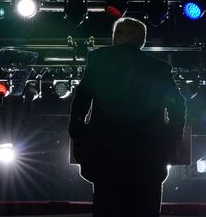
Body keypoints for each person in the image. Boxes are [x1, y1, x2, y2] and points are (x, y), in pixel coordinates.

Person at [69, 17, 186, 217]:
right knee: (146, 209)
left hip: (106, 154)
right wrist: (170, 137)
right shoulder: (159, 69)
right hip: (148, 156)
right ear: (142, 40)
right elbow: (178, 106)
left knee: (108, 208)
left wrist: (80, 135)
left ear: (118, 36)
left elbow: (80, 102)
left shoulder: (100, 60)